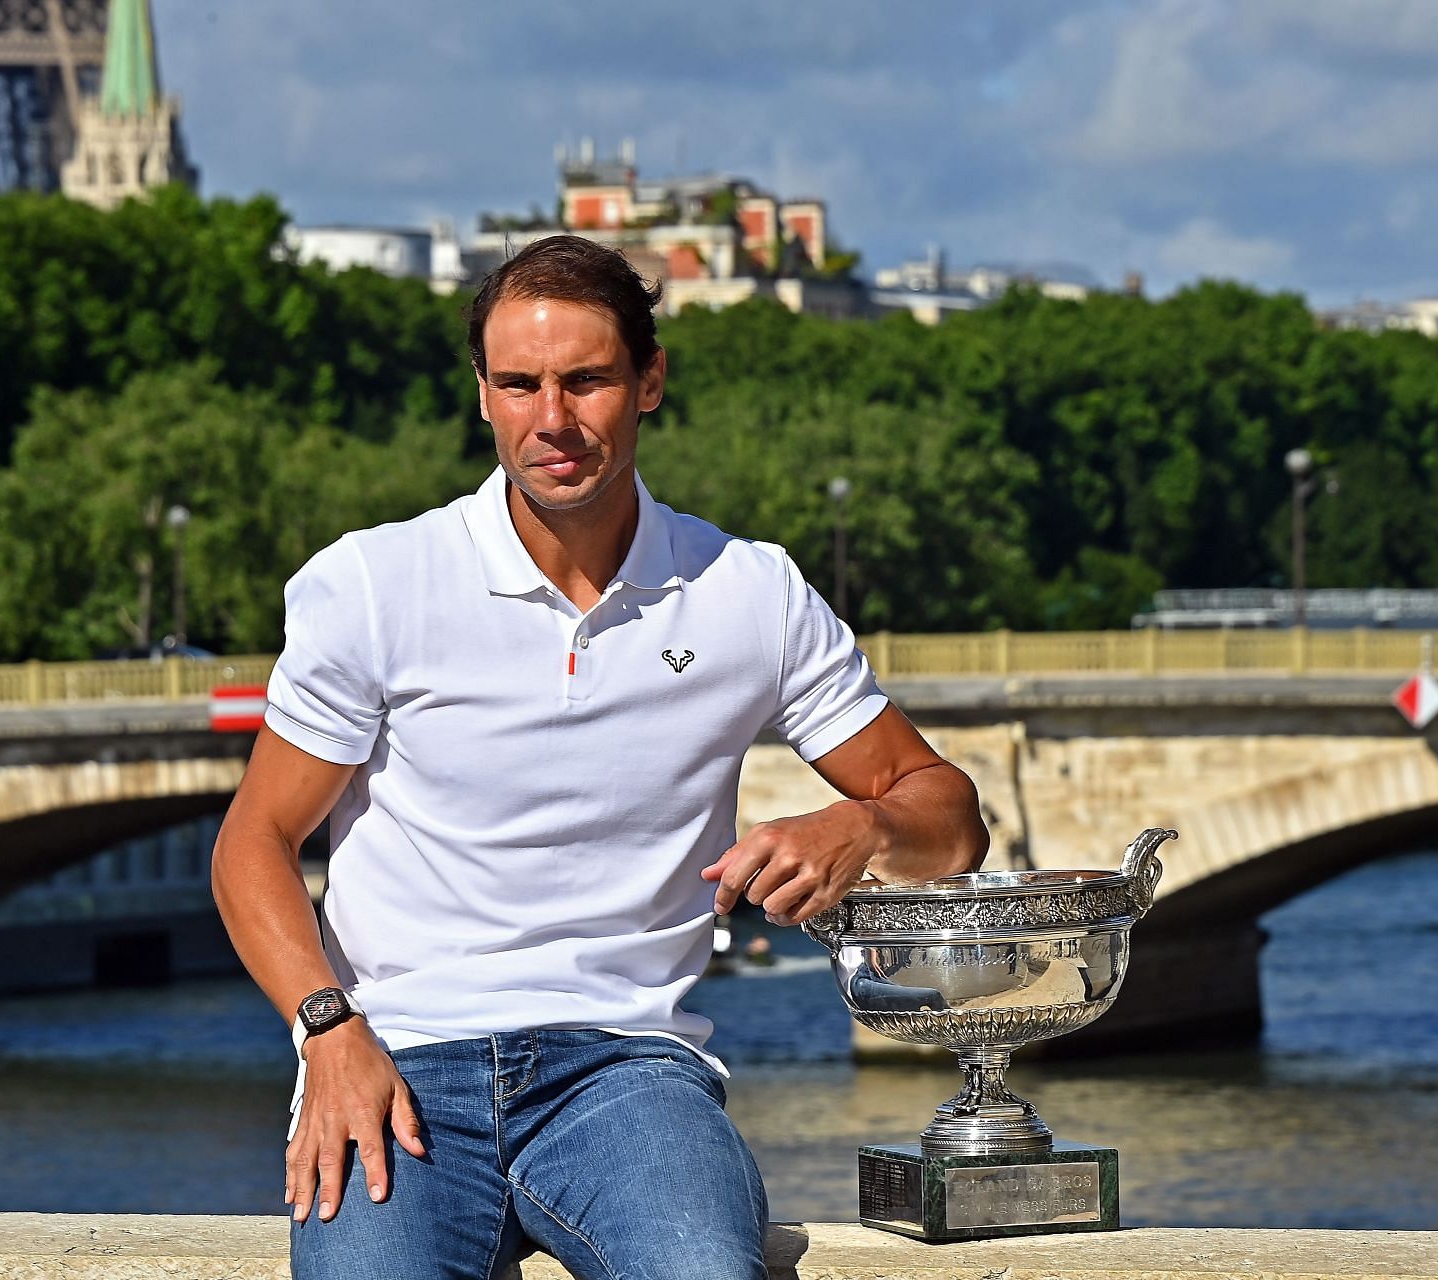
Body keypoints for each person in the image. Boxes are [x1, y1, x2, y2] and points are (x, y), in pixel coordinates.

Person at [211, 234, 988, 1280]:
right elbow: (253, 840)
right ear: (482, 394)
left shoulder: (747, 591)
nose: (553, 419)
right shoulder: (376, 583)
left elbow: (948, 815)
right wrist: (327, 1029)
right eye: (520, 383)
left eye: (587, 380)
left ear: (650, 381)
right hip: (395, 1057)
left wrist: (864, 822)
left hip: (628, 1073)